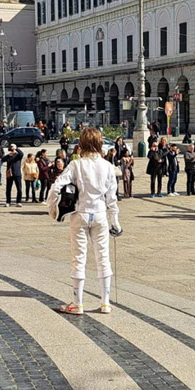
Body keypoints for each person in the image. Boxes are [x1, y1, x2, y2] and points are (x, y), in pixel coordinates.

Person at [47, 127, 121, 315]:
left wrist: (53, 209)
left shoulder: (76, 165)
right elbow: (112, 197)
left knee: (78, 257)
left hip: (80, 214)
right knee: (103, 257)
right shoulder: (107, 166)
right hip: (99, 214)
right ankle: (105, 303)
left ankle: (77, 303)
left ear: (81, 145)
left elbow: (57, 186)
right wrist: (115, 221)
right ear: (99, 144)